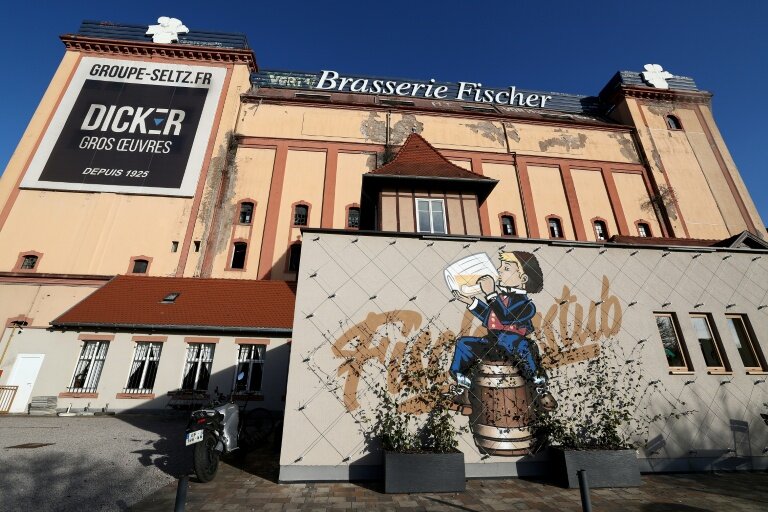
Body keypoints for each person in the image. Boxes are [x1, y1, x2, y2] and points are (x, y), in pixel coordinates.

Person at [450, 250, 557, 412]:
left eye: (506, 268)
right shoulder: (499, 300)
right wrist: (471, 302)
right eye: (500, 266)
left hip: (513, 344)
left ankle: (540, 389)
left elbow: (506, 317)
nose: (499, 270)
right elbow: (491, 317)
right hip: (493, 343)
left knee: (525, 347)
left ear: (523, 279)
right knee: (464, 344)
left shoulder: (527, 305)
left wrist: (491, 294)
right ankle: (463, 388)